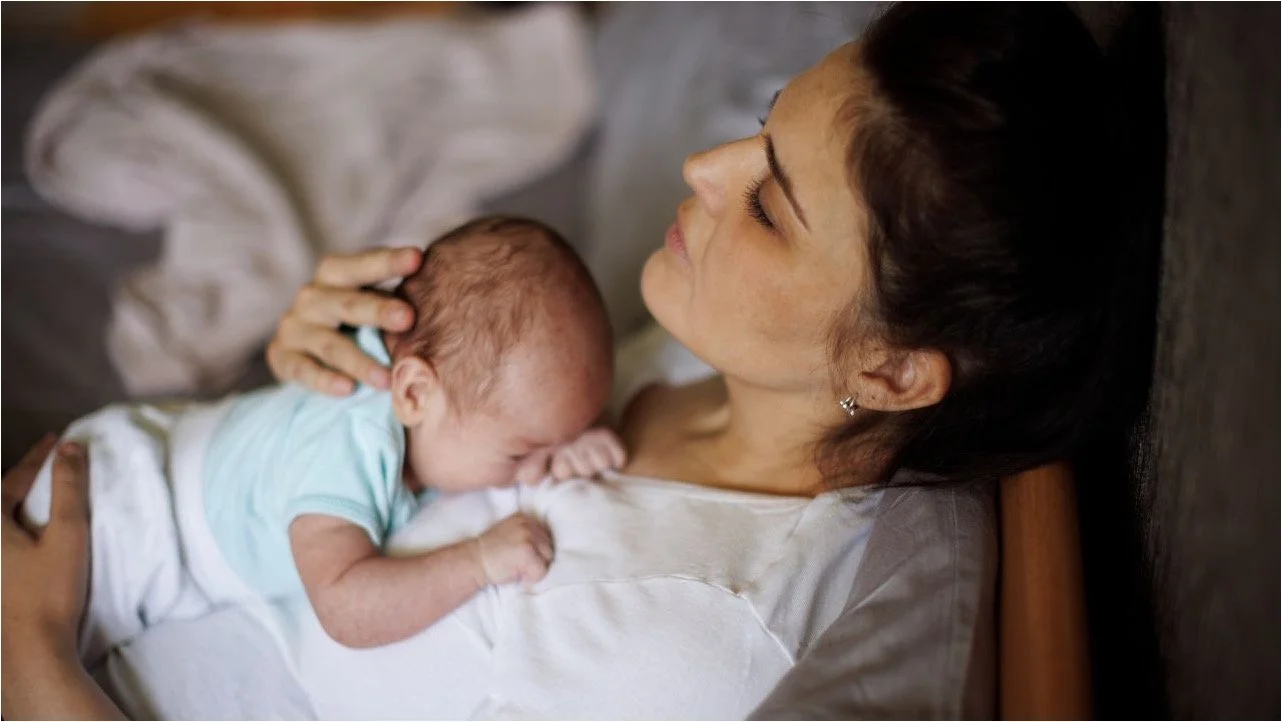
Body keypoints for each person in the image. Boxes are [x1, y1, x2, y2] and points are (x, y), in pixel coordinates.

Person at [2, 4, 1132, 718]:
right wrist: (334, 374)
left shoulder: (711, 649)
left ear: (891, 373)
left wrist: (33, 653)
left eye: (769, 204)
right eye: (761, 127)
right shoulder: (711, 366)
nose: (702, 168)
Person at [18, 216, 626, 659]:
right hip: (126, 523)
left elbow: (515, 417)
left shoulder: (433, 389)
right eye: (522, 452)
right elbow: (345, 606)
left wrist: (564, 445)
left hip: (147, 453)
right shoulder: (351, 448)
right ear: (415, 393)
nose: (534, 467)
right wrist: (479, 560)